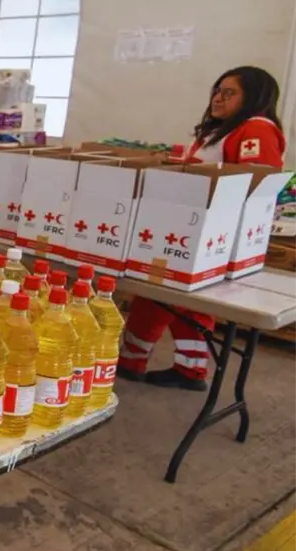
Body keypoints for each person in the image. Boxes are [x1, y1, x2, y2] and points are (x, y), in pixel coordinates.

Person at [120, 66, 286, 391]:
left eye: (229, 92)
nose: (218, 98)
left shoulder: (256, 129)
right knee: (179, 299)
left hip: (213, 235)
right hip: (196, 230)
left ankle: (134, 360)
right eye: (217, 90)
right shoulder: (226, 129)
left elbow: (256, 181)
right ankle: (186, 369)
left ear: (253, 97)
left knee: (160, 294)